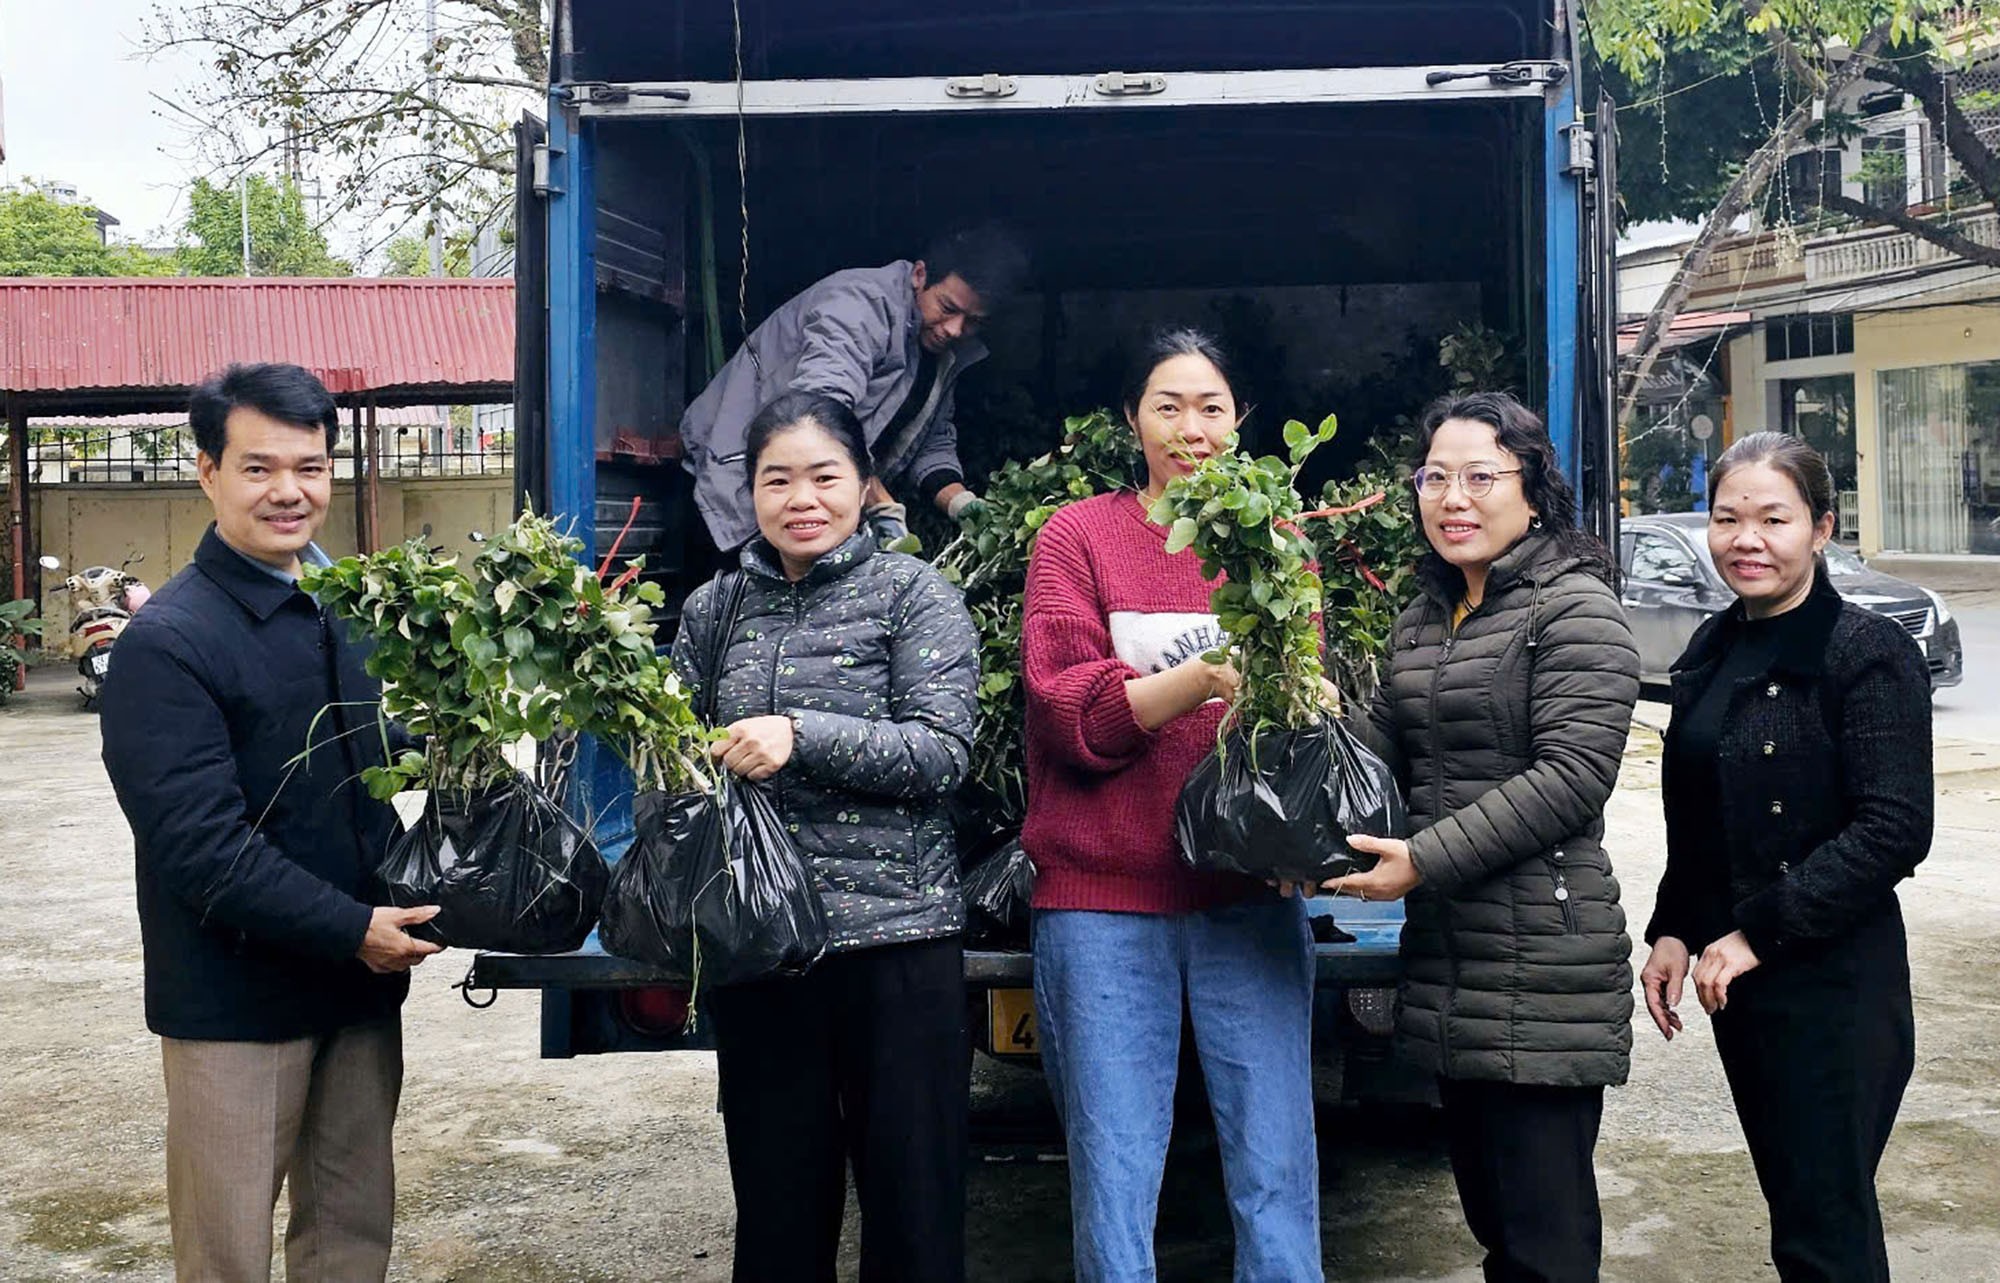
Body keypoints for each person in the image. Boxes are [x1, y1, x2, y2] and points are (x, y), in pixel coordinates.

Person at [98, 363, 442, 1282]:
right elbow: (199, 849)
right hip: (236, 1005)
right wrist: (352, 929)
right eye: (258, 468)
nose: (290, 491)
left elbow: (368, 751)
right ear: (207, 471)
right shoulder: (168, 644)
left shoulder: (340, 609)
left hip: (356, 994)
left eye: (311, 466)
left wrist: (465, 741)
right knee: (228, 1254)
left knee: (349, 1234)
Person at [1020, 328, 1323, 1283]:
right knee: (1114, 1171)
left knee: (1275, 1163)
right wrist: (1197, 681)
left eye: (1211, 407)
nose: (1190, 427)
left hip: (1246, 894)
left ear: (1241, 422)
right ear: (1130, 419)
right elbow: (1068, 709)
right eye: (1167, 405)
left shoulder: (1277, 540)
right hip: (1104, 899)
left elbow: (1303, 711)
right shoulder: (1077, 537)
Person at [671, 390, 980, 1282]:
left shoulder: (914, 594)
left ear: (862, 482)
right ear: (750, 491)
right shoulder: (715, 610)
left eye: (824, 476)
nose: (801, 498)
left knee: (914, 1213)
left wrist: (798, 734)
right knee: (777, 1214)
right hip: (764, 948)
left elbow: (943, 750)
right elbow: (675, 756)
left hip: (898, 943)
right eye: (778, 479)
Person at [1333, 391, 1640, 1282]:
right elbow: (1378, 763)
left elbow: (1571, 778)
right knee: (1497, 1229)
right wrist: (1293, 709)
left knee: (1546, 1242)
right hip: (1453, 961)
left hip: (1544, 961)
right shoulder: (1425, 618)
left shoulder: (1574, 609)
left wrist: (1422, 860)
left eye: (1480, 476)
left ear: (1534, 491)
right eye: (1435, 477)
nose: (1452, 498)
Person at [1639, 432, 1930, 1283]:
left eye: (1775, 517)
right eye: (1728, 517)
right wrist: (1674, 929)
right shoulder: (1710, 648)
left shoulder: (1865, 652)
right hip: (1743, 983)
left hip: (1837, 985)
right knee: (1798, 1207)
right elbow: (1700, 817)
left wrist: (1756, 931)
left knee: (1824, 1226)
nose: (1747, 538)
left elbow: (1894, 827)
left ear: (1822, 528)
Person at [678, 223, 1029, 564]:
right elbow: (818, 416)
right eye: (948, 308)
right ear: (920, 275)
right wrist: (879, 504)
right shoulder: (859, 306)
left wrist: (960, 502)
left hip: (805, 511)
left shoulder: (940, 352)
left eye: (973, 321)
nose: (955, 329)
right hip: (732, 492)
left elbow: (932, 441)